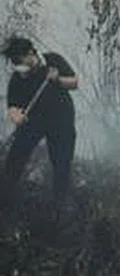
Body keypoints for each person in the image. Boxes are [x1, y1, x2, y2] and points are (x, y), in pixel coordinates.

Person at [1, 36, 80, 213]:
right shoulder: (17, 78)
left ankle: (58, 207)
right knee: (14, 161)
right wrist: (16, 117)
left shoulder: (53, 60)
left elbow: (74, 82)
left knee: (61, 163)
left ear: (31, 54)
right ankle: (6, 203)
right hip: (33, 123)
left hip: (61, 121)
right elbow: (13, 107)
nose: (21, 68)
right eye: (16, 64)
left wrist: (57, 78)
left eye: (22, 62)